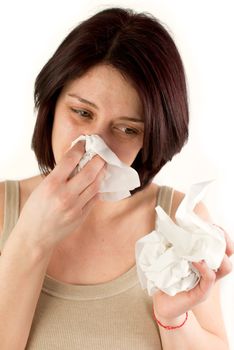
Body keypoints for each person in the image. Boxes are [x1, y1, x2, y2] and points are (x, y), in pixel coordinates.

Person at [0, 7, 233, 350]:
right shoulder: (3, 210)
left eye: (126, 129)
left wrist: (172, 319)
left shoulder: (177, 221)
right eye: (82, 112)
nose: (95, 145)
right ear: (52, 105)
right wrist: (32, 237)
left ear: (150, 138)